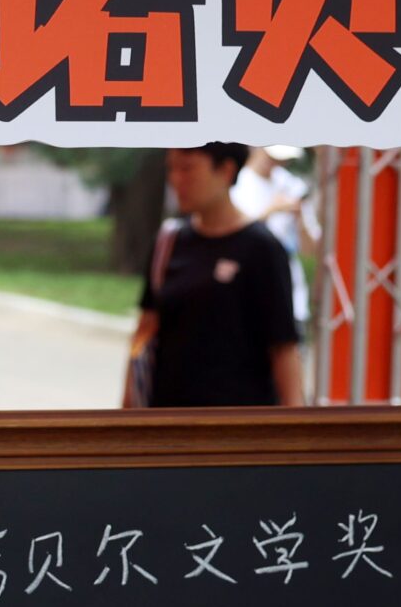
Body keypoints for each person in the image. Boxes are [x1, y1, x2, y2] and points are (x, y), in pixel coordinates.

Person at [126, 144, 305, 409]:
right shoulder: (168, 241)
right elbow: (145, 330)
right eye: (172, 169)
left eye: (187, 169)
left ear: (226, 170)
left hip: (237, 422)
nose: (176, 179)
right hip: (167, 418)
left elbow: (283, 348)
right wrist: (127, 412)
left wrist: (295, 425)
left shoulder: (262, 248)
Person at [231, 145, 312, 322]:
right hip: (247, 293)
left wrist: (300, 219)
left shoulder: (292, 185)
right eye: (274, 157)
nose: (279, 163)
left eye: (284, 159)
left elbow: (310, 249)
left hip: (289, 296)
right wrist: (271, 211)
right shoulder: (236, 183)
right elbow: (232, 237)